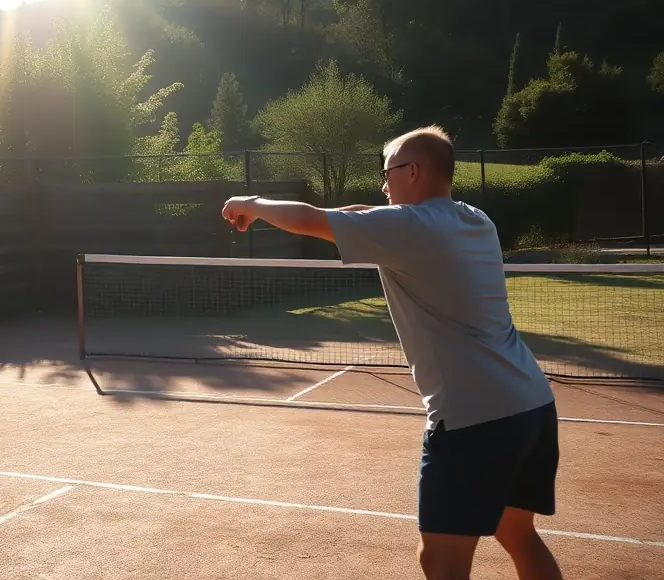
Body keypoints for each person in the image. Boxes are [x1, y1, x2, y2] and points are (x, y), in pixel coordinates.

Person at [222, 125, 563, 580]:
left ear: (414, 172)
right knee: (518, 535)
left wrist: (252, 205)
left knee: (440, 560)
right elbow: (359, 212)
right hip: (530, 406)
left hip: (473, 420)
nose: (383, 186)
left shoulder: (408, 227)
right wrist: (352, 210)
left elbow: (308, 219)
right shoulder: (474, 218)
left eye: (387, 174)